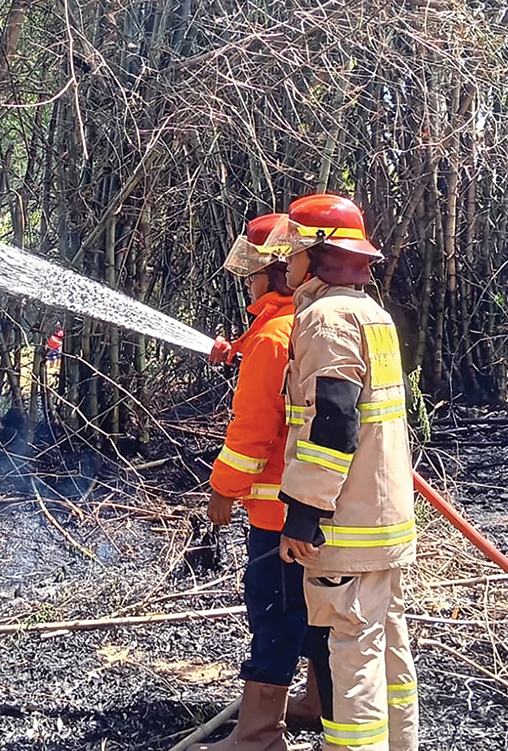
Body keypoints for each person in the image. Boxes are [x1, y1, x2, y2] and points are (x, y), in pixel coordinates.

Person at [274, 194, 418, 751]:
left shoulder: (326, 319)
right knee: (386, 647)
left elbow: (331, 424)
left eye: (294, 249)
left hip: (346, 524)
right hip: (382, 522)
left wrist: (303, 513)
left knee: (349, 653)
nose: (286, 261)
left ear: (319, 254)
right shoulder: (369, 314)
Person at [200, 213, 331, 751]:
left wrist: (221, 491)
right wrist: (239, 352)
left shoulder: (271, 337)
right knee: (316, 612)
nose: (248, 282)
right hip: (315, 508)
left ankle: (256, 735)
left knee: (273, 614)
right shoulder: (292, 326)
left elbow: (252, 432)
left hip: (278, 514)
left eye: (255, 272)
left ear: (280, 272)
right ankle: (319, 704)